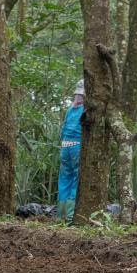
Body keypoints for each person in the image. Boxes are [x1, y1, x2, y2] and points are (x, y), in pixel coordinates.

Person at [57, 79, 84, 222]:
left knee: (64, 180)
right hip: (76, 147)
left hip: (64, 146)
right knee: (75, 179)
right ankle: (69, 217)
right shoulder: (85, 110)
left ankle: (59, 216)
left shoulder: (69, 110)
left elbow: (62, 131)